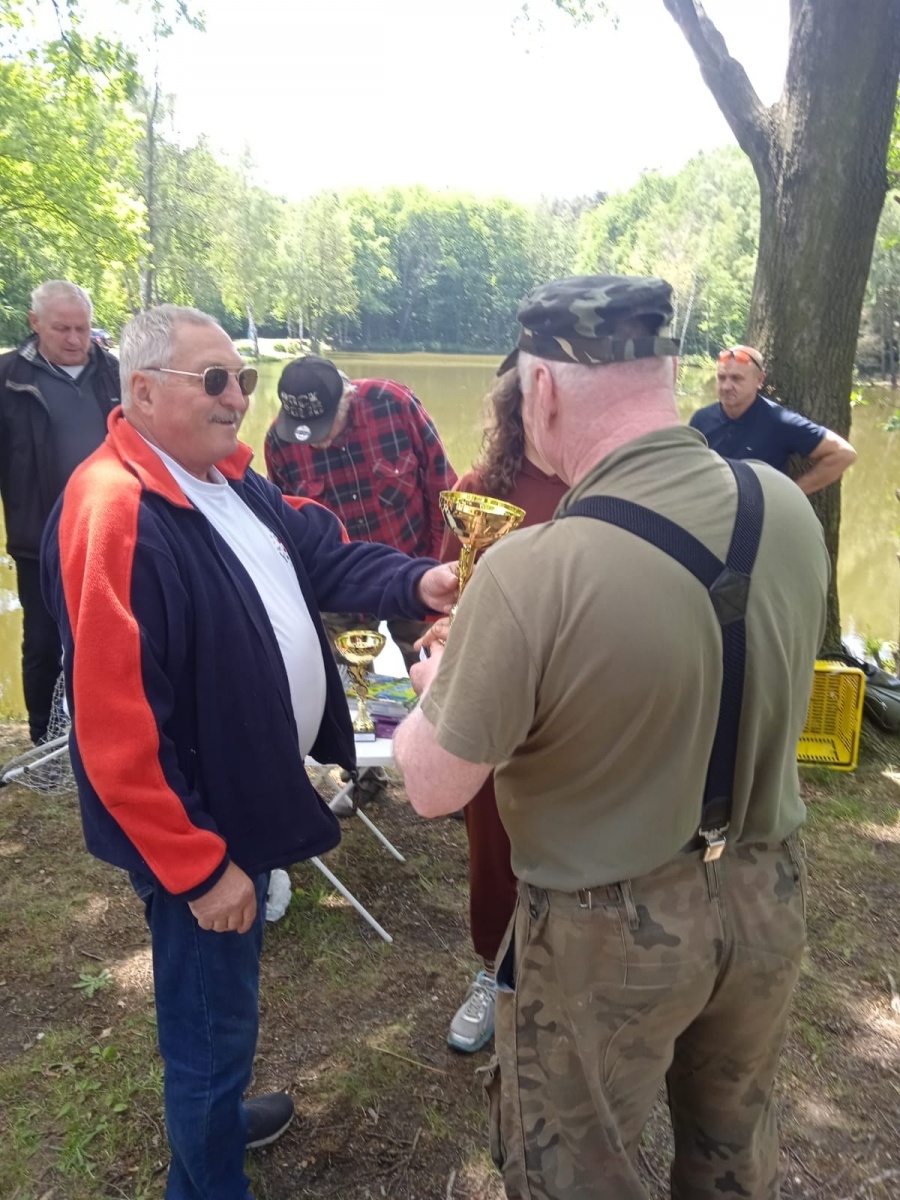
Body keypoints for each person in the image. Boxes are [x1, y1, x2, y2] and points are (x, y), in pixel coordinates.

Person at [394, 275, 829, 1199]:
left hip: (606, 930)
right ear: (670, 371)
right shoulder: (783, 506)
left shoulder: (530, 568)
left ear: (541, 393)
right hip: (766, 892)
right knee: (732, 1151)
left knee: (578, 1175)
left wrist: (436, 690)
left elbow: (432, 785)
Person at [40, 305, 457, 1200]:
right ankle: (206, 1175)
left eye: (246, 380)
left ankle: (219, 1122)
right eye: (217, 382)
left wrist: (417, 578)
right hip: (196, 825)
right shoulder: (112, 510)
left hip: (244, 794)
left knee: (227, 1008)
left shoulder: (223, 478)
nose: (241, 400)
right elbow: (113, 728)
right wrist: (196, 868)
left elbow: (320, 553)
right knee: (205, 1028)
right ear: (143, 392)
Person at [436, 368, 568, 1054]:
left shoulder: (611, 484)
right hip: (498, 703)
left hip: (582, 704)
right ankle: (494, 970)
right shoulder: (481, 486)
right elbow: (452, 591)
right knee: (492, 843)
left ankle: (562, 984)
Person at [264, 355, 455, 673]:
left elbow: (443, 490)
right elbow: (287, 526)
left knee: (435, 670)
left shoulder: (394, 404)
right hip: (342, 587)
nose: (315, 440)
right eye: (304, 430)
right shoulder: (280, 442)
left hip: (415, 571)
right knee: (344, 684)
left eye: (322, 426)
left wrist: (435, 566)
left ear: (347, 397)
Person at [0, 280, 119, 742]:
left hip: (115, 530)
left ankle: (109, 731)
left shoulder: (117, 374)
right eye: (62, 328)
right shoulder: (9, 379)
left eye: (82, 328)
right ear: (34, 324)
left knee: (115, 638)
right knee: (46, 641)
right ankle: (44, 737)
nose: (74, 340)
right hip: (40, 538)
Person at [690, 344, 857, 493]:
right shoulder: (701, 419)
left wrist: (793, 493)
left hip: (757, 518)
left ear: (759, 380)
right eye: (721, 377)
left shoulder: (779, 421)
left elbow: (843, 453)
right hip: (712, 513)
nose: (726, 386)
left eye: (736, 378)